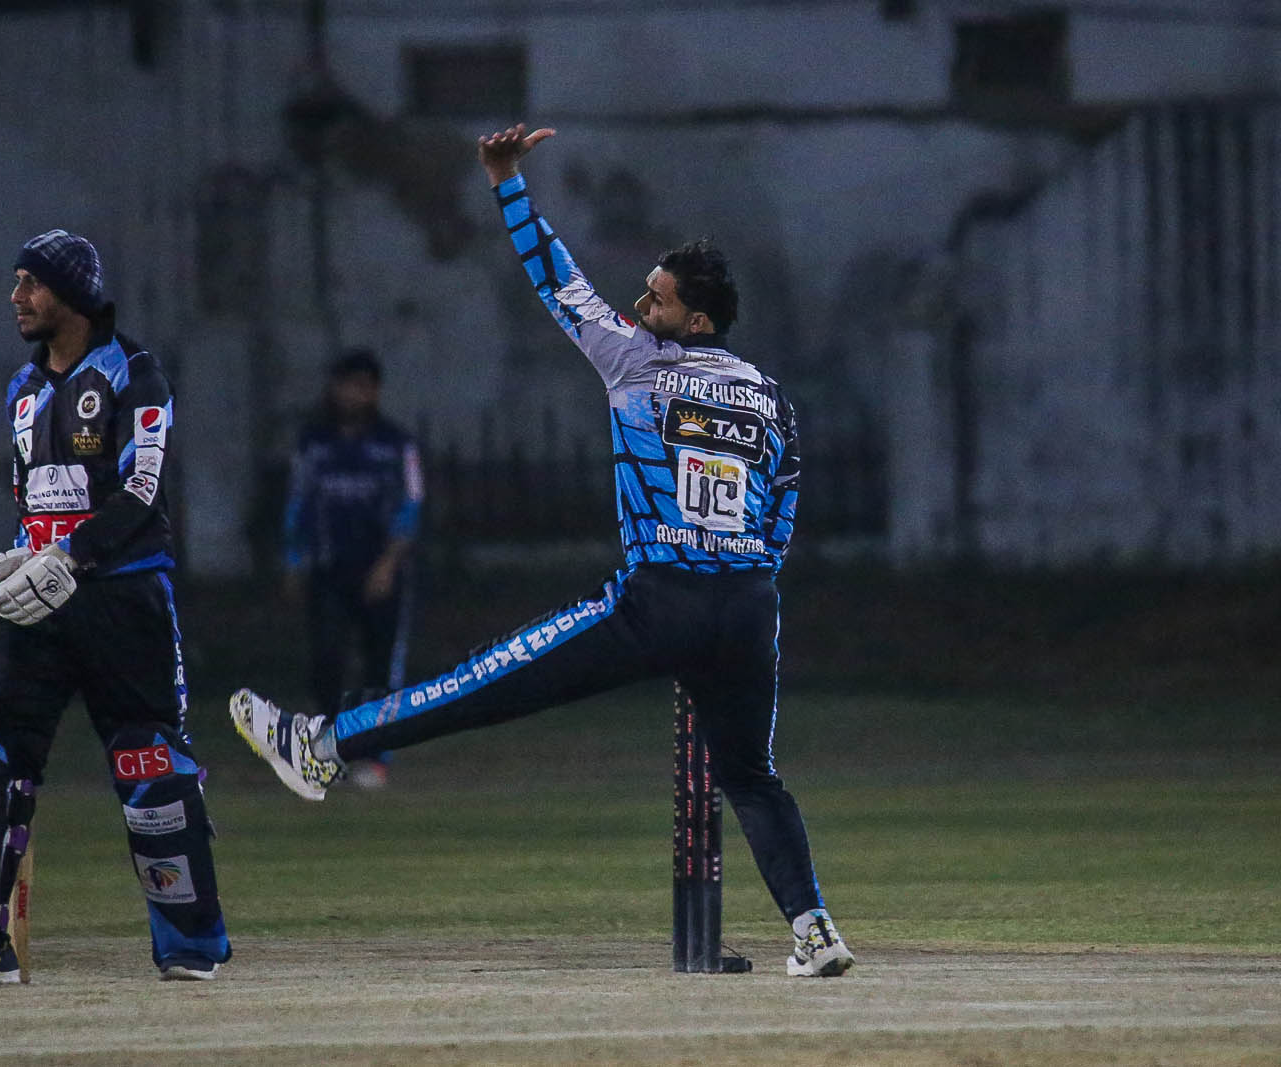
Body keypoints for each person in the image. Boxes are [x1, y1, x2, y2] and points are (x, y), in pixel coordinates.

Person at [230, 125, 855, 978]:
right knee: (752, 775)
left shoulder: (635, 362)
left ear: (697, 320)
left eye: (659, 299)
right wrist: (740, 579)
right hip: (749, 609)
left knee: (484, 683)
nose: (641, 307)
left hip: (659, 602)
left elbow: (557, 279)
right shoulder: (772, 399)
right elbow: (782, 511)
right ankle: (814, 930)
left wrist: (506, 182)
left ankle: (322, 746)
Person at [0, 230, 231, 985]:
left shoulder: (134, 374)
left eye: (32, 283)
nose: (16, 297)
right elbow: (32, 498)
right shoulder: (21, 389)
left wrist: (70, 557)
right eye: (17, 281)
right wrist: (26, 552)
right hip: (33, 603)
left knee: (150, 766)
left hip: (123, 599)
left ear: (73, 294)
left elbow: (140, 493)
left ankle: (192, 943)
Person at [280, 349, 423, 788]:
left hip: (381, 569)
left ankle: (375, 756)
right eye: (344, 385)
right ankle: (330, 753)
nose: (351, 395)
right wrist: (293, 563)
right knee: (326, 660)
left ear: (375, 391)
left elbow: (411, 505)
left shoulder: (396, 444)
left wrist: (388, 564)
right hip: (329, 568)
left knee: (380, 667)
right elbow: (298, 503)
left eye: (361, 386)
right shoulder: (314, 443)